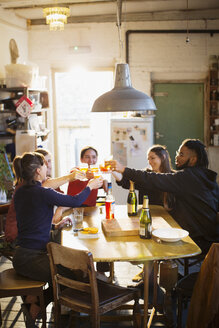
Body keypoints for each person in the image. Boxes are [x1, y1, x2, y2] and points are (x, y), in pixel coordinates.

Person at [12, 152, 103, 322]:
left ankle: (35, 301)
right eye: (45, 164)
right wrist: (90, 186)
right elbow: (75, 201)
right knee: (71, 277)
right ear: (38, 171)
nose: (48, 166)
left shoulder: (20, 191)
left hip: (22, 255)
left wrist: (54, 226)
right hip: (31, 258)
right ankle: (37, 306)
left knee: (68, 273)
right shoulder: (43, 192)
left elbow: (32, 220)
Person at [110, 139, 219, 254]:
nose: (177, 157)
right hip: (210, 236)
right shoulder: (206, 177)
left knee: (153, 234)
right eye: (178, 153)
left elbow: (152, 179)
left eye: (181, 154)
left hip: (198, 238)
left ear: (193, 159)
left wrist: (123, 169)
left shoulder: (187, 177)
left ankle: (155, 268)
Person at [113, 144, 175, 282]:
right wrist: (113, 171)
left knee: (158, 245)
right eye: (148, 158)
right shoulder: (145, 175)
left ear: (163, 157)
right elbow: (125, 183)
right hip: (146, 217)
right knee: (145, 243)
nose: (150, 162)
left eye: (153, 158)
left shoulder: (173, 177)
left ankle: (150, 274)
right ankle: (147, 273)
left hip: (167, 220)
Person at [5, 148, 81, 244]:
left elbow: (65, 199)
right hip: (20, 237)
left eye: (49, 161)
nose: (48, 165)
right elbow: (72, 200)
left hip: (34, 233)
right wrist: (71, 178)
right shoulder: (33, 187)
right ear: (37, 169)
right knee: (66, 241)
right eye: (45, 162)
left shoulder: (43, 182)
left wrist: (60, 209)